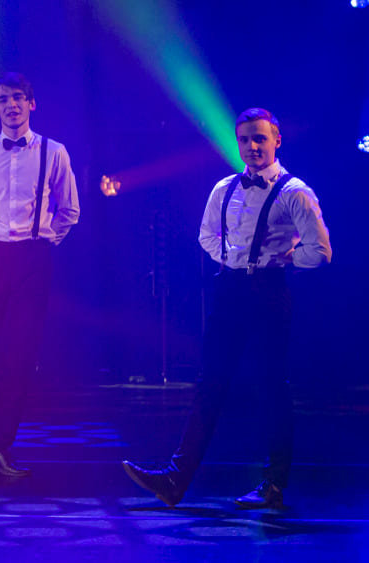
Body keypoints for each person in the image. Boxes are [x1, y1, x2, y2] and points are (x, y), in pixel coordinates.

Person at [123, 107, 331, 509]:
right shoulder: (224, 188)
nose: (252, 146)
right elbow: (206, 235)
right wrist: (233, 257)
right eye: (245, 140)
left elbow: (321, 251)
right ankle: (175, 479)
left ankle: (273, 485)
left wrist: (283, 259)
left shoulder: (295, 192)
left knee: (272, 387)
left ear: (276, 140)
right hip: (230, 289)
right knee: (210, 385)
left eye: (260, 138)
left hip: (268, 291)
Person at [0, 72, 80, 477]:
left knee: (19, 353)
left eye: (18, 97)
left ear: (32, 103)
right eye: (3, 99)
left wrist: (43, 240)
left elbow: (69, 209)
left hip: (33, 259)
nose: (11, 105)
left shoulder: (54, 152)